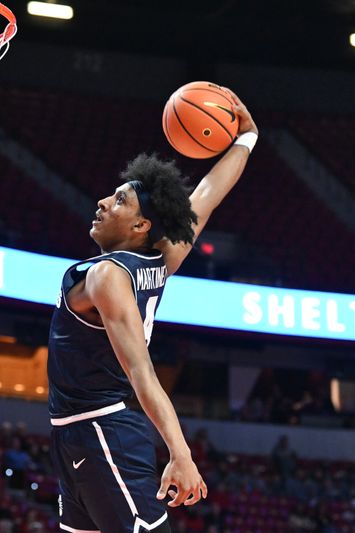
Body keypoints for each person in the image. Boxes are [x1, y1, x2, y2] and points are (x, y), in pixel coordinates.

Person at [47, 86, 257, 533]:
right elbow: (206, 193)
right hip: (76, 435)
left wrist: (180, 454)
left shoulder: (107, 277)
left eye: (120, 200)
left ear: (142, 225)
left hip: (105, 432)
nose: (103, 202)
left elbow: (142, 373)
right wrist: (246, 139)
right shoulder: (161, 259)